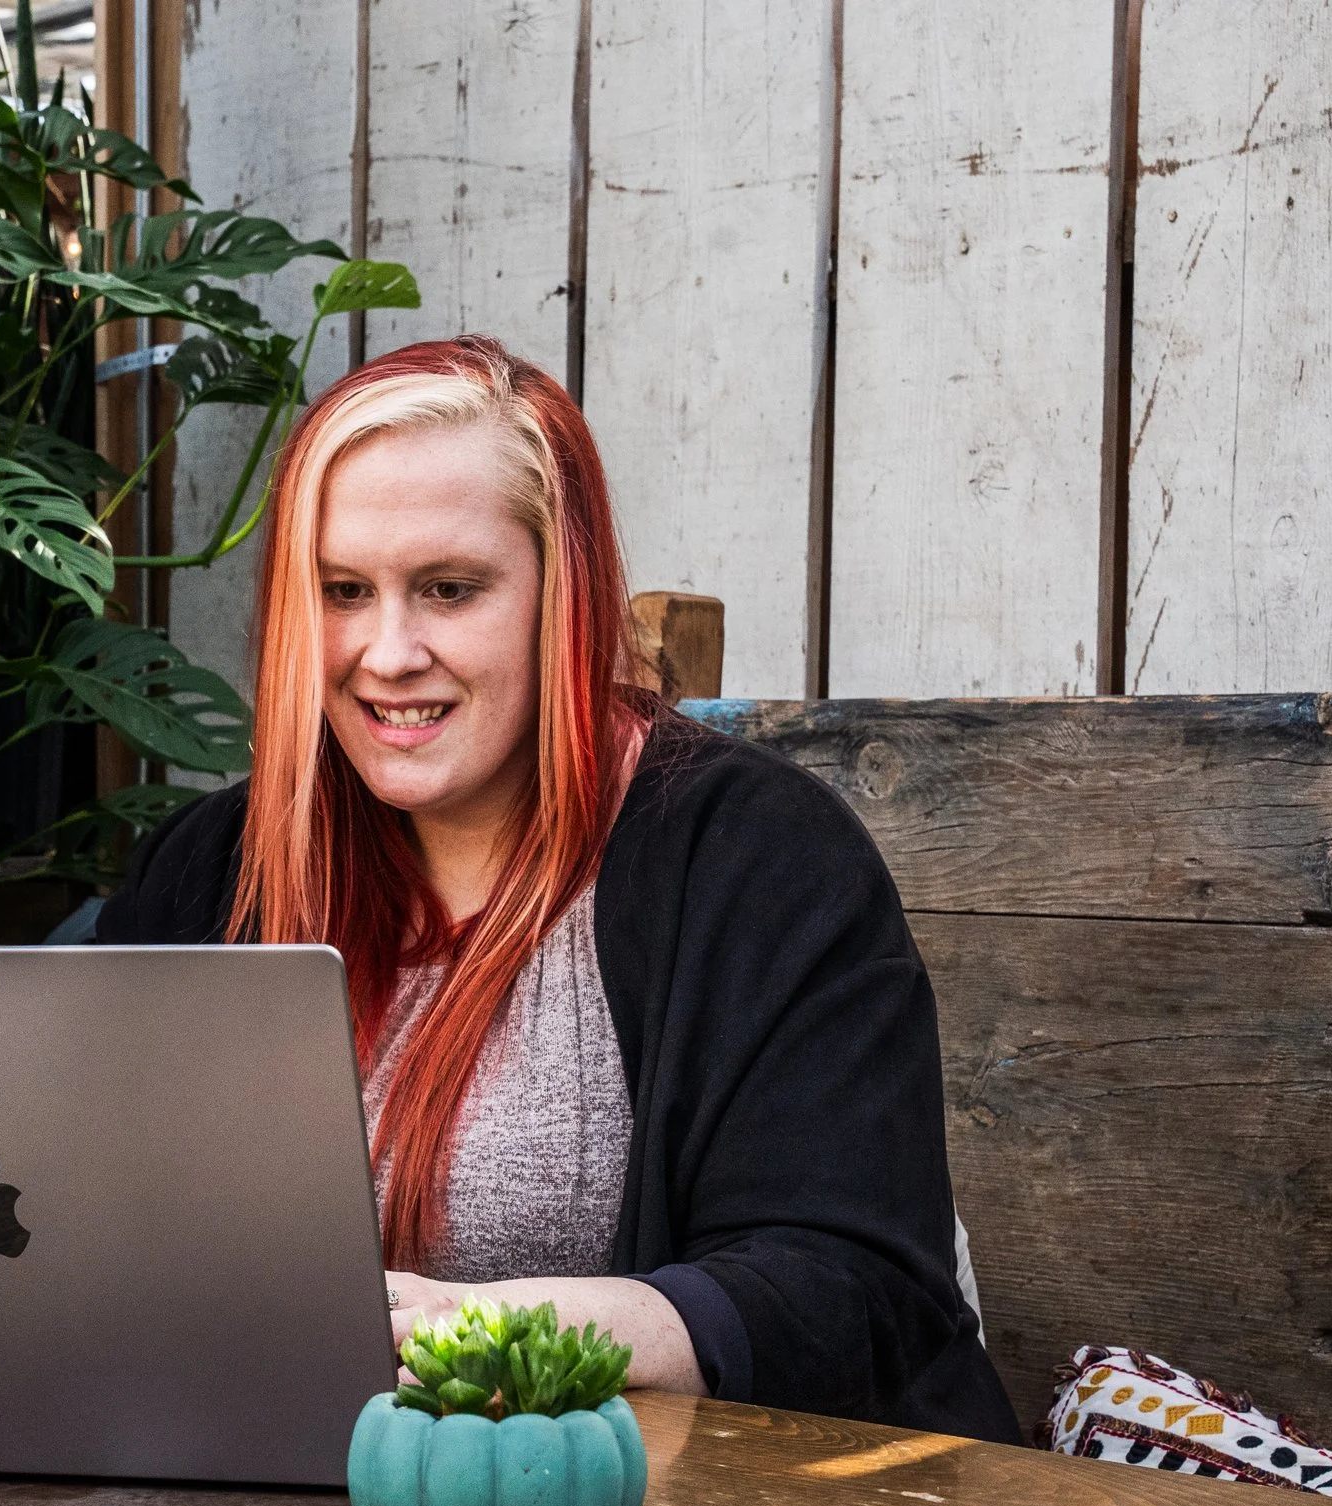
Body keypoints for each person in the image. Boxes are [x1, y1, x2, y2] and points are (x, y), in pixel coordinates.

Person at [96, 337, 1020, 1442]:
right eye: (343, 591)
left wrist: (477, 1329)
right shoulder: (214, 870)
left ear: (560, 595)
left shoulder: (758, 858)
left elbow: (851, 1293)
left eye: (449, 588)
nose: (387, 651)